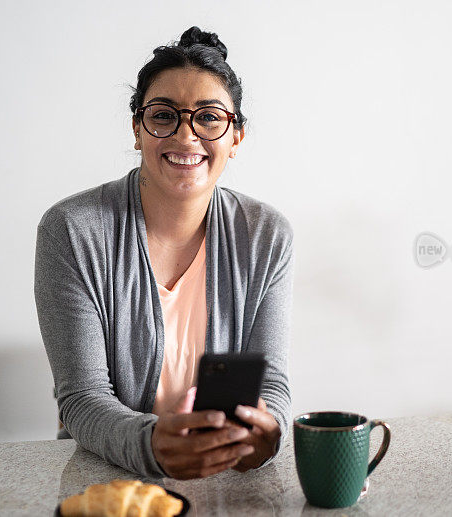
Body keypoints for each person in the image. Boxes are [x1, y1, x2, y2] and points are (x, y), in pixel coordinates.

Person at [34, 26, 294, 480]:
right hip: (108, 481)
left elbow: (271, 386)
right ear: (137, 129)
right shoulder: (72, 231)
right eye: (163, 115)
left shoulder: (267, 235)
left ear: (236, 137)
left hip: (225, 479)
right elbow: (81, 396)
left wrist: (265, 438)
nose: (186, 135)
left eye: (210, 117)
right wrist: (151, 446)